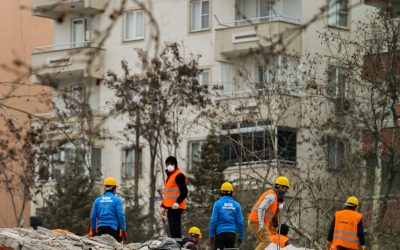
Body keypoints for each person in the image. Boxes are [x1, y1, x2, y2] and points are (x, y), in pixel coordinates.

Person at [248, 176, 290, 250]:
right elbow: (261, 208)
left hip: (256, 221)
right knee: (267, 241)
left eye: (286, 189)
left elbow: (272, 214)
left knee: (265, 244)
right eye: (284, 188)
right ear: (278, 186)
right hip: (257, 221)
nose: (284, 191)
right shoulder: (272, 196)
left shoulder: (274, 197)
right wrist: (261, 223)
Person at [90, 177, 128, 242]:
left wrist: (93, 231)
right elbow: (120, 215)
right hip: (113, 231)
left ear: (105, 188)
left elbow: (93, 217)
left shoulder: (97, 200)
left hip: (100, 230)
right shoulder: (117, 200)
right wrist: (124, 230)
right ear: (114, 188)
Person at [209, 182, 244, 250]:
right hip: (231, 234)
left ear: (221, 192)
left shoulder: (218, 204)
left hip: (220, 234)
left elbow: (213, 220)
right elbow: (240, 222)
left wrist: (211, 235)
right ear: (231, 192)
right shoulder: (236, 205)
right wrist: (241, 236)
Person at [161, 156, 188, 238]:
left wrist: (177, 202)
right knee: (172, 227)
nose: (169, 165)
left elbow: (184, 191)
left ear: (175, 165)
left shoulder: (178, 175)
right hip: (170, 207)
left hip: (176, 206)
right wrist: (164, 207)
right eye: (168, 164)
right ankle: (175, 242)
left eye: (172, 164)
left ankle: (177, 243)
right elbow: (168, 194)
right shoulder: (170, 176)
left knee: (175, 226)